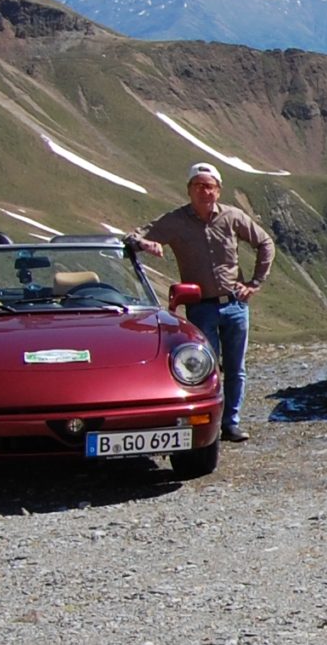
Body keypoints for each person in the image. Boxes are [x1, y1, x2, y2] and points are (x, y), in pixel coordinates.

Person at [131, 163, 275, 443]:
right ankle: (208, 423)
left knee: (236, 368)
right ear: (189, 190)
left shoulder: (233, 217)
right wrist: (146, 244)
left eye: (209, 186)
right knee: (204, 367)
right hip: (200, 307)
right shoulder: (174, 221)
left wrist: (254, 284)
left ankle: (231, 423)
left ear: (218, 191)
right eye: (198, 186)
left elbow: (265, 243)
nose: (204, 191)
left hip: (235, 305)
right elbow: (133, 237)